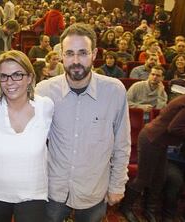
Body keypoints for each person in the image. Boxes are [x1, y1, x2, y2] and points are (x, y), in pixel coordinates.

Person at [35, 23, 130, 222]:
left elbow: (122, 144)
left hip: (93, 190)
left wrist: (117, 185)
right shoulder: (44, 90)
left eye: (83, 53)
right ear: (61, 54)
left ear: (94, 53)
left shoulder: (114, 91)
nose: (76, 60)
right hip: (54, 189)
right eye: (70, 53)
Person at [0, 50, 54, 222]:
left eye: (17, 75)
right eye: (4, 76)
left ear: (29, 77)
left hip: (33, 193)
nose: (9, 82)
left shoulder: (45, 107)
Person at [119, 95, 185, 222]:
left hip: (161, 142)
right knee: (144, 178)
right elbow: (174, 128)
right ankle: (125, 207)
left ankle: (149, 209)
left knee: (160, 177)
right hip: (151, 139)